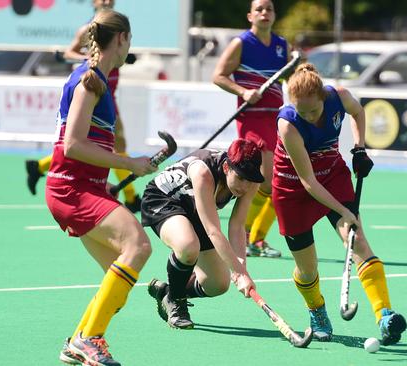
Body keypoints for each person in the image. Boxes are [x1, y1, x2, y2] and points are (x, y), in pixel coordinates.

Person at [45, 10, 156, 366]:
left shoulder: (100, 80)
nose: (130, 46)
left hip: (84, 187)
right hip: (70, 190)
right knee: (138, 246)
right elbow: (72, 146)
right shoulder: (90, 80)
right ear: (121, 38)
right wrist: (128, 162)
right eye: (131, 39)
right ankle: (90, 339)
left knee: (119, 282)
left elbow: (86, 148)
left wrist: (111, 174)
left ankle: (77, 340)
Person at [272, 63, 407, 344]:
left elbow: (358, 112)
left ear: (323, 97)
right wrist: (345, 211)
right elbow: (308, 182)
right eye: (301, 112)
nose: (308, 117)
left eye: (313, 110)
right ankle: (316, 309)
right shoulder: (287, 124)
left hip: (332, 176)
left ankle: (384, 315)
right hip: (292, 190)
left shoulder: (339, 96)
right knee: (307, 268)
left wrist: (359, 147)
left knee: (358, 243)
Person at [26, 0, 143, 213]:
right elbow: (69, 52)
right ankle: (131, 196)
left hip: (108, 93)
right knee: (117, 146)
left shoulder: (100, 70)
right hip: (99, 93)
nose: (107, 1)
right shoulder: (88, 77)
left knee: (103, 144)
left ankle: (40, 166)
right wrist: (91, 57)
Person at [143, 138, 260, 329]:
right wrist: (239, 273)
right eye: (240, 178)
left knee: (218, 284)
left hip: (196, 209)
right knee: (188, 246)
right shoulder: (203, 172)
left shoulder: (250, 182)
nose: (244, 186)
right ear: (226, 168)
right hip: (164, 199)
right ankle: (176, 303)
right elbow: (213, 231)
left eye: (249, 180)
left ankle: (169, 291)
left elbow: (237, 225)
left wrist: (242, 269)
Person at [213, 0, 290, 258]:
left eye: (269, 9)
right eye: (259, 9)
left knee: (277, 184)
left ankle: (255, 239)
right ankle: (246, 235)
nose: (264, 13)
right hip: (252, 120)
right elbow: (219, 75)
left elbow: (291, 76)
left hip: (277, 120)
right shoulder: (241, 43)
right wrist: (243, 91)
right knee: (266, 180)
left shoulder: (282, 46)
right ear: (250, 16)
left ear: (274, 15)